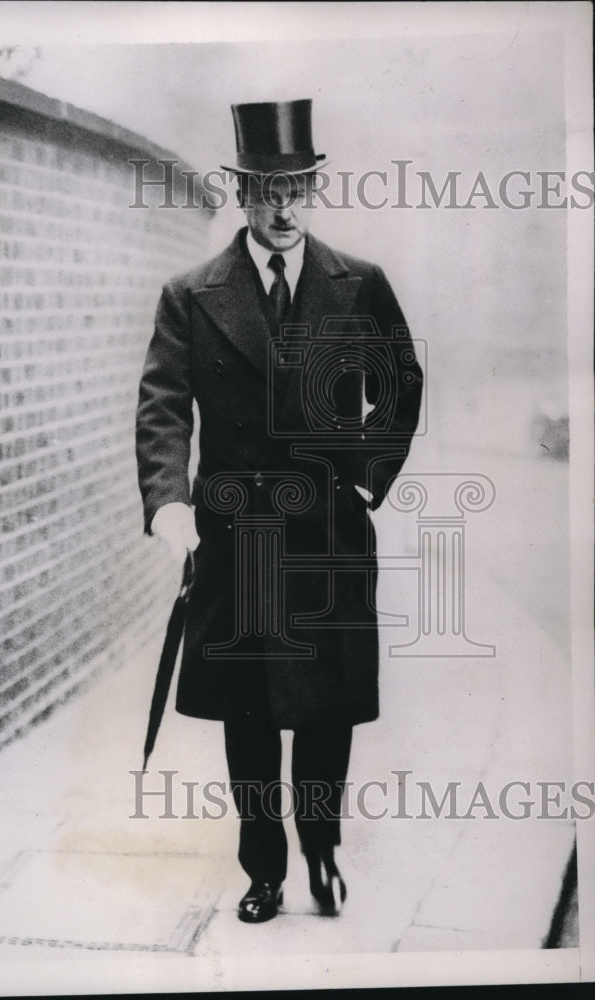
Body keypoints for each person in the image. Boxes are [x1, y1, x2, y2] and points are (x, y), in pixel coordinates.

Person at [136, 99, 423, 923]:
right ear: (242, 193)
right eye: (266, 189)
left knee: (326, 710)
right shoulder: (191, 294)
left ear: (313, 186)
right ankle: (263, 870)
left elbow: (399, 386)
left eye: (296, 186)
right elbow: (161, 407)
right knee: (251, 716)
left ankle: (322, 851)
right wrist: (169, 506)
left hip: (327, 530)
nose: (284, 206)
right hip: (238, 537)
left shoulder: (356, 283)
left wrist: (365, 474)